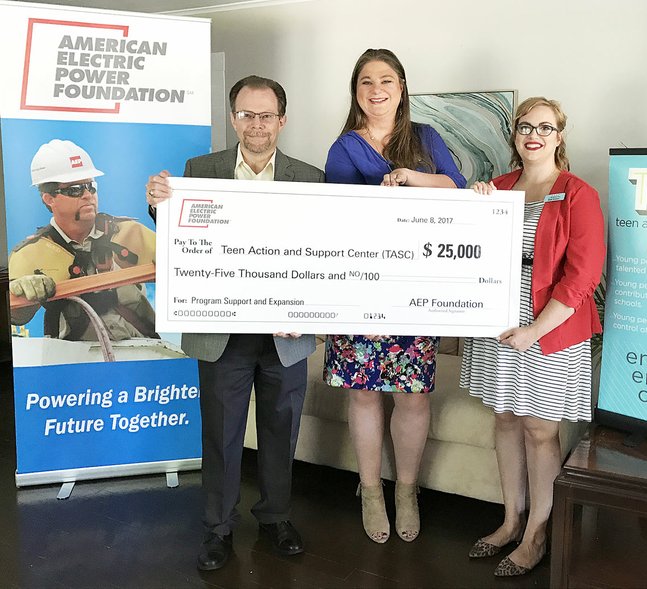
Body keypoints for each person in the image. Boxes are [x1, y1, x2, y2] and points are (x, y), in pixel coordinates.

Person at [145, 75, 324, 571]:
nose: (257, 125)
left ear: (282, 120)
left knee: (280, 429)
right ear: (233, 118)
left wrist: (309, 312)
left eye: (266, 115)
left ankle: (275, 517)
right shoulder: (199, 171)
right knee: (221, 434)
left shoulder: (310, 178)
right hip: (221, 332)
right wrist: (158, 203)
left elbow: (323, 254)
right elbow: (179, 235)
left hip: (285, 336)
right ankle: (218, 527)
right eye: (247, 114)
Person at [324, 48, 466, 544]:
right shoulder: (344, 148)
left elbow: (458, 188)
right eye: (366, 81)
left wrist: (410, 178)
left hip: (414, 289)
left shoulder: (425, 139)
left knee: (412, 397)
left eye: (387, 80)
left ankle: (406, 490)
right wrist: (367, 303)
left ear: (402, 86)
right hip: (361, 289)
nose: (377, 89)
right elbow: (339, 228)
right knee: (365, 394)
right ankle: (369, 491)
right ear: (356, 91)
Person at [460, 97, 605, 577]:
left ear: (560, 136)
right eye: (525, 126)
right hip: (499, 322)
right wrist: (472, 209)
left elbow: (582, 277)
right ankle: (509, 520)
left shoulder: (577, 193)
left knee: (540, 429)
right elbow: (464, 249)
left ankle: (537, 532)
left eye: (545, 126)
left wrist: (536, 329)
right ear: (515, 136)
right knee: (504, 419)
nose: (533, 134)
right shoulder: (497, 188)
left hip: (549, 326)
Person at [9, 139, 157, 342]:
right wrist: (22, 291)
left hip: (147, 351)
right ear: (49, 198)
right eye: (75, 189)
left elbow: (185, 270)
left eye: (91, 186)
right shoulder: (29, 254)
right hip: (72, 360)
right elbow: (16, 317)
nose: (88, 195)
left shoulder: (130, 233)